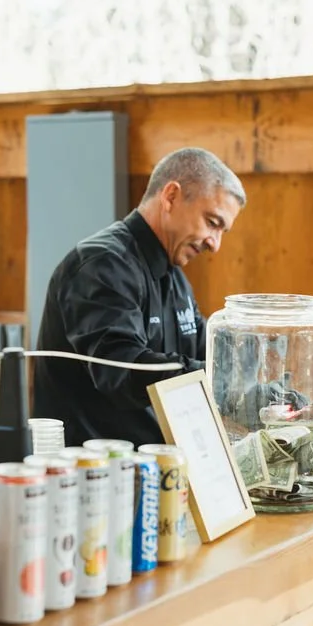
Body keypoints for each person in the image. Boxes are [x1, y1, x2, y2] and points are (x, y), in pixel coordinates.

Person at [32, 147, 246, 448]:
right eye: (212, 222)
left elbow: (204, 345)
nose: (215, 244)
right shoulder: (100, 264)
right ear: (170, 196)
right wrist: (221, 380)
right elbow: (122, 371)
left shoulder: (174, 276)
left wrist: (258, 374)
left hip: (154, 467)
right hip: (93, 475)